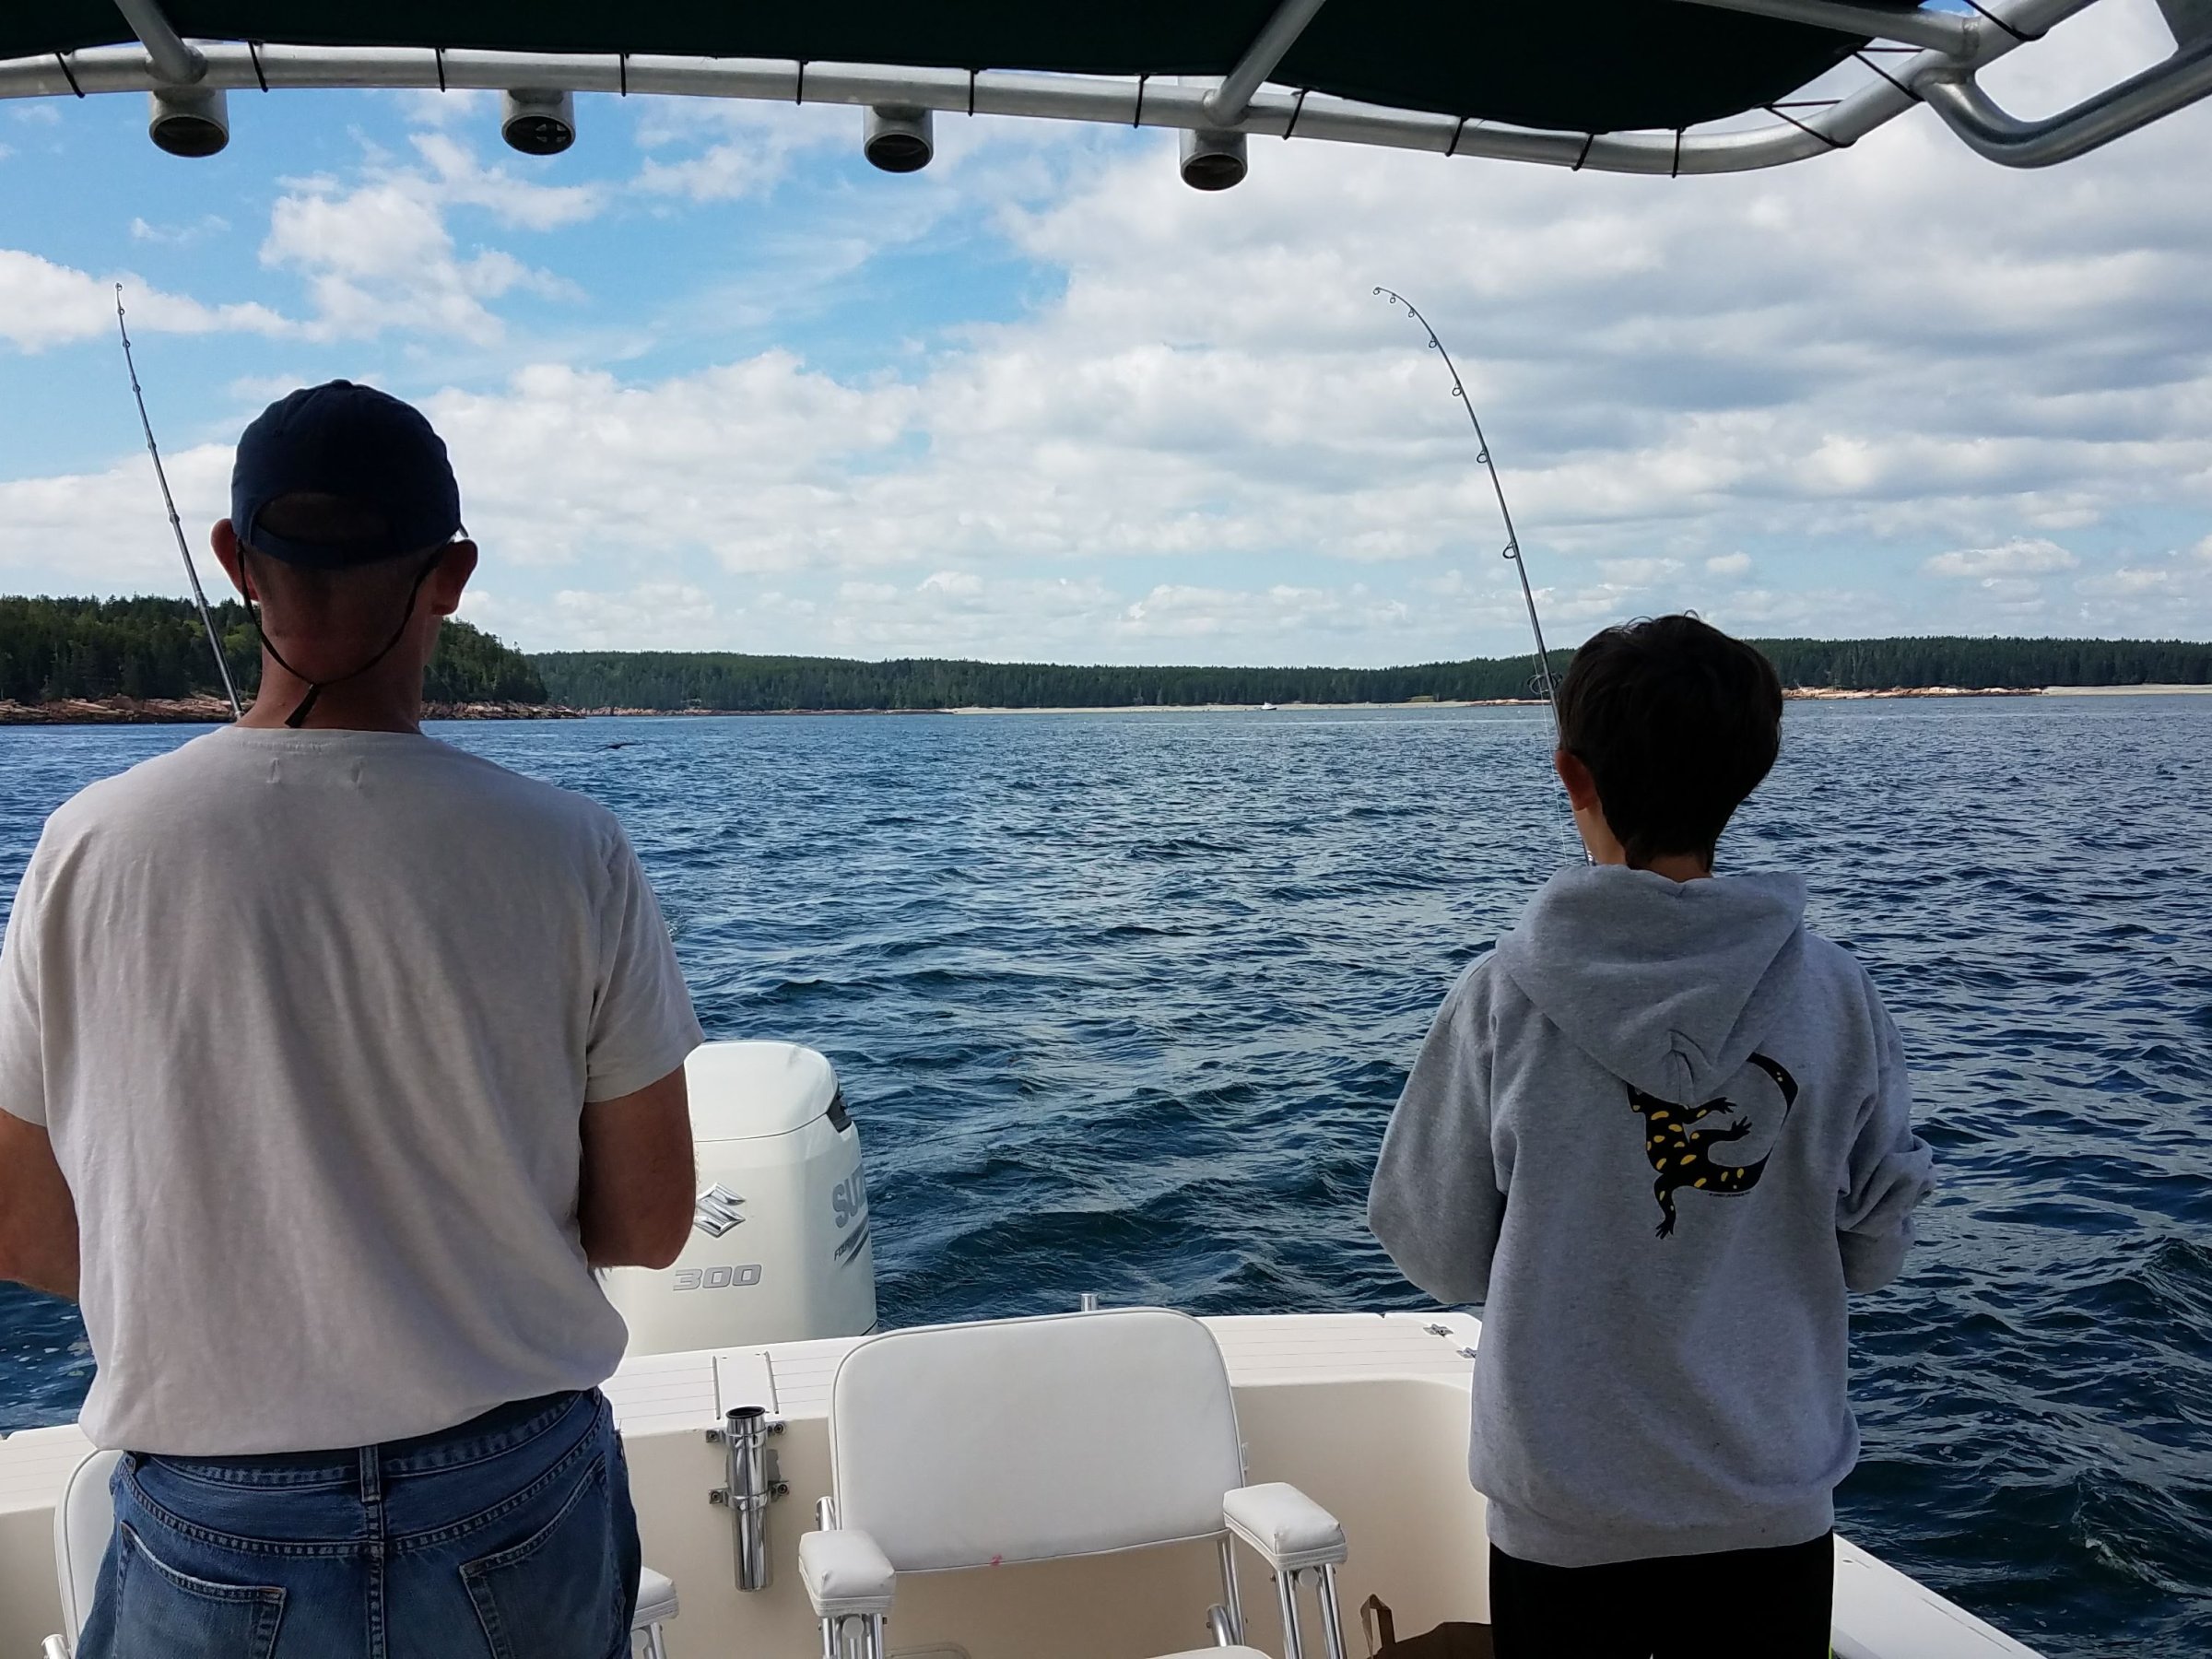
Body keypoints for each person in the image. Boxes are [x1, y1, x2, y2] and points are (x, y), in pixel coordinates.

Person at [0, 381, 704, 1659]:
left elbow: (19, 1220)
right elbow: (649, 1224)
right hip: (516, 1505)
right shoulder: (572, 851)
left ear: (235, 561)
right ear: (452, 577)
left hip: (214, 1519)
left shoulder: (84, 849)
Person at [1368, 614, 1935, 1659]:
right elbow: (1873, 1254)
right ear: (1749, 774)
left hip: (1563, 1514)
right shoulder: (1840, 995)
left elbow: (1438, 1255)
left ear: (1572, 776)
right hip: (1769, 1503)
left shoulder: (1497, 1000)